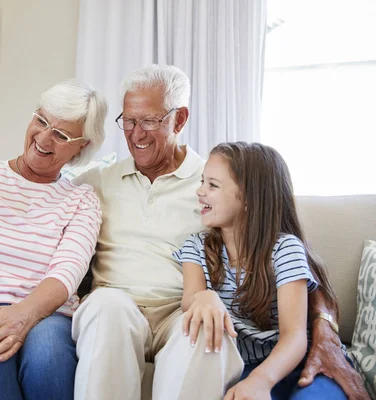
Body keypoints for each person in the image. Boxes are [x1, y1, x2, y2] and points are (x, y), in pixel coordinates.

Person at [72, 64, 368, 400]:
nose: (136, 134)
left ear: (179, 119)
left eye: (150, 121)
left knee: (206, 327)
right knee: (107, 305)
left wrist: (325, 325)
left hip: (180, 315)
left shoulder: (219, 179)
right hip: (115, 307)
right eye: (128, 120)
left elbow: (286, 248)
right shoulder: (96, 181)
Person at [0, 79, 107, 399]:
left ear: (82, 145)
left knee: (49, 359)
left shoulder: (81, 199)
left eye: (61, 134)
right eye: (41, 121)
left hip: (46, 313)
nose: (43, 138)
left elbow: (67, 272)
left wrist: (24, 314)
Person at [175, 142, 347, 399]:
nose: (200, 191)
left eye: (213, 185)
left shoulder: (285, 249)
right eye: (202, 181)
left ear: (248, 198)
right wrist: (204, 297)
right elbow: (190, 300)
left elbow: (294, 335)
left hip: (300, 365)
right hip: (243, 367)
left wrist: (261, 380)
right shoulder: (196, 247)